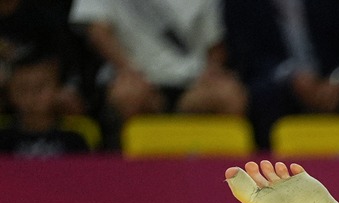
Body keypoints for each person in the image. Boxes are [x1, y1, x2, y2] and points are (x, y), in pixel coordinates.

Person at [222, 0, 339, 143]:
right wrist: (292, 76)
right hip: (280, 85)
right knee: (261, 97)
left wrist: (338, 80)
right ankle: (268, 163)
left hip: (333, 81)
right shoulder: (241, 4)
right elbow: (246, 55)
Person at [73, 0, 247, 124]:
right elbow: (98, 32)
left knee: (230, 96)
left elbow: (215, 45)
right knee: (127, 96)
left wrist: (212, 71)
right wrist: (127, 69)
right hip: (134, 75)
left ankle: (211, 163)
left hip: (193, 80)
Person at [1, 45, 92, 153]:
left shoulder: (73, 140)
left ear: (58, 88)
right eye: (23, 88)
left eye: (40, 87)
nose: (32, 95)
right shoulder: (4, 141)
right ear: (10, 92)